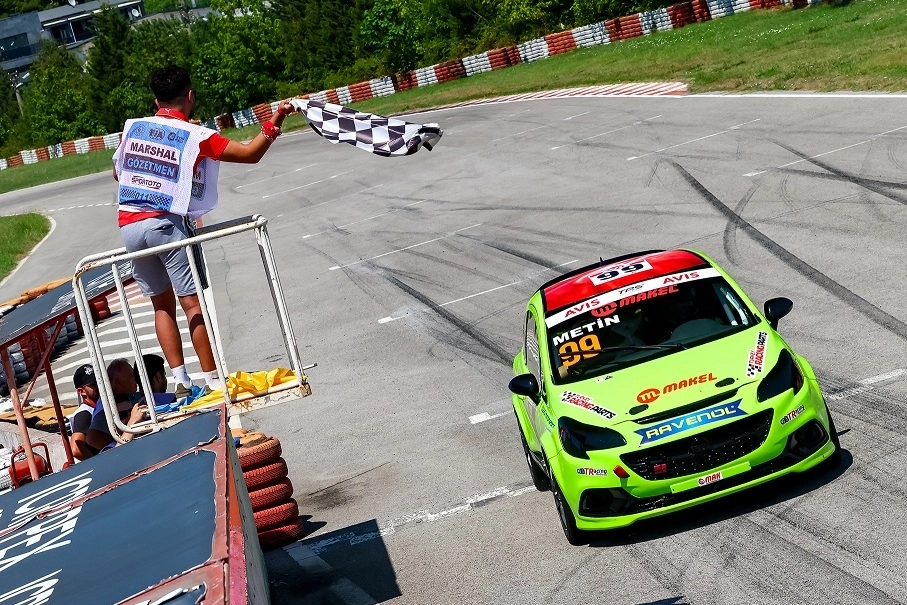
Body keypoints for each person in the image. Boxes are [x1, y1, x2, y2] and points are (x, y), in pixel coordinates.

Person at [111, 64, 296, 397]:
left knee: (161, 306)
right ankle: (212, 380)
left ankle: (181, 381)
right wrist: (277, 118)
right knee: (192, 305)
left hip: (129, 226)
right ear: (191, 96)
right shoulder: (196, 136)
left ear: (156, 101)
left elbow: (117, 173)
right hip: (165, 223)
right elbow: (251, 153)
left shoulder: (133, 128)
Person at [86, 359, 146, 452]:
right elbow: (92, 438)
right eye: (132, 376)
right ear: (117, 382)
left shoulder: (127, 396)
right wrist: (116, 444)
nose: (136, 381)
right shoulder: (106, 403)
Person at [69, 364, 102, 461]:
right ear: (82, 391)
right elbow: (75, 449)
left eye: (99, 381)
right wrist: (98, 462)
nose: (99, 385)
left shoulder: (96, 407)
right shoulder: (84, 414)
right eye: (93, 384)